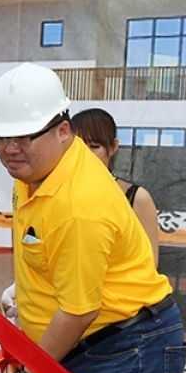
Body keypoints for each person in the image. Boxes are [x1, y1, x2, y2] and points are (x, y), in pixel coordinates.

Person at [0, 63, 184, 373]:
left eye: (25, 136)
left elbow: (79, 309)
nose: (11, 149)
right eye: (1, 137)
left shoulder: (80, 201)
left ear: (62, 130)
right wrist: (29, 295)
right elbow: (46, 252)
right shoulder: (35, 171)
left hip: (127, 352)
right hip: (82, 353)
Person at [70, 107, 159, 266]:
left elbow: (149, 267)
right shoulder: (57, 194)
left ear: (113, 147)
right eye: (78, 146)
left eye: (94, 146)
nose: (85, 154)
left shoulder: (137, 198)